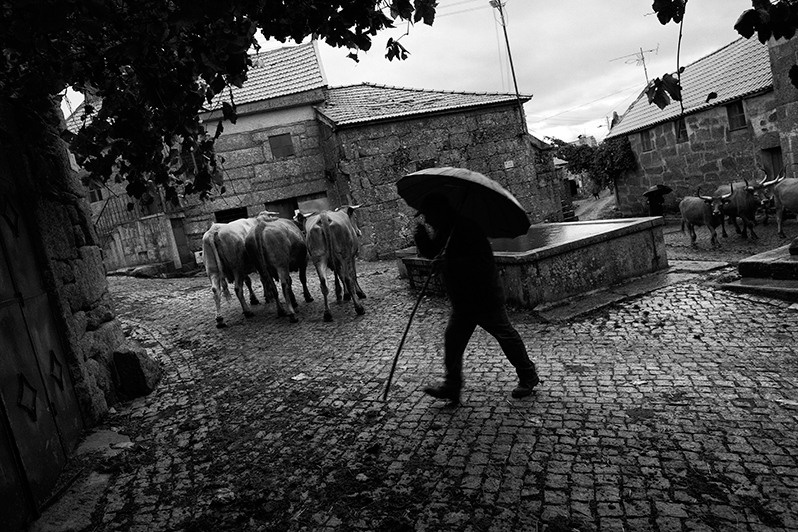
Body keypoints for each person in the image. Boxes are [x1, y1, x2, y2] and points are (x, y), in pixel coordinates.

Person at [413, 193, 541, 404]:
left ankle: (528, 375)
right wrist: (421, 236)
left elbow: (480, 262)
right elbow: (433, 252)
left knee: (505, 336)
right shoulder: (445, 229)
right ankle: (452, 387)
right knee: (453, 341)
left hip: (484, 297)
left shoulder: (467, 228)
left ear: (439, 210)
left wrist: (448, 264)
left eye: (427, 215)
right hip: (463, 302)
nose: (426, 219)